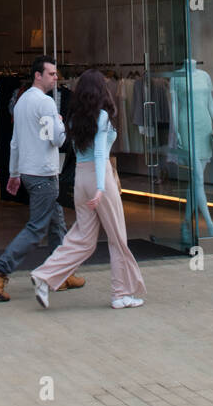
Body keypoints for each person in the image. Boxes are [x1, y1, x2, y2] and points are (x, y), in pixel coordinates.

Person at [30, 69, 146, 310]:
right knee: (117, 239)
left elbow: (65, 143)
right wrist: (102, 188)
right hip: (98, 176)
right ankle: (120, 293)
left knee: (83, 239)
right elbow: (102, 152)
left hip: (81, 179)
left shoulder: (74, 118)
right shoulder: (102, 116)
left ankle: (44, 275)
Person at [0, 57, 84, 301]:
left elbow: (14, 142)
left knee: (57, 224)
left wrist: (15, 173)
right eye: (51, 74)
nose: (56, 78)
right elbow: (56, 140)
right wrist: (60, 123)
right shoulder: (46, 104)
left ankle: (61, 273)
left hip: (29, 172)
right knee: (37, 228)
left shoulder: (21, 102)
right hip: (44, 173)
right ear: (38, 75)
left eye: (56, 74)